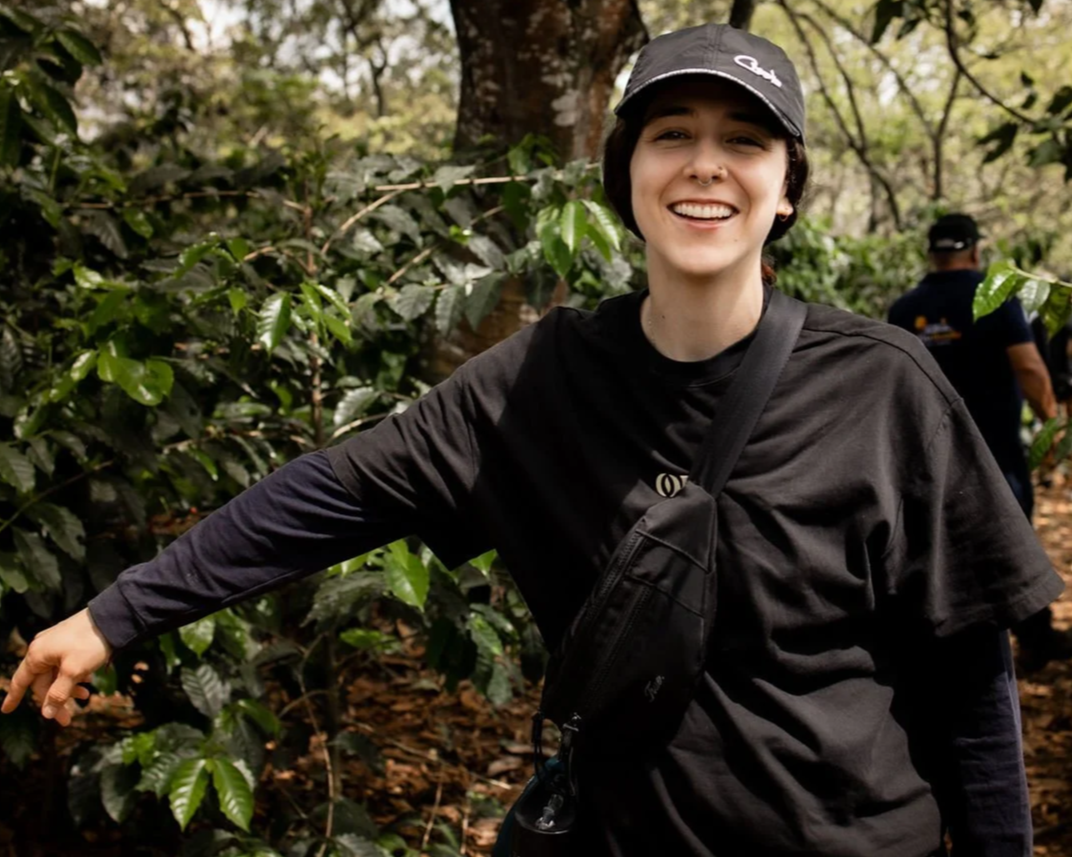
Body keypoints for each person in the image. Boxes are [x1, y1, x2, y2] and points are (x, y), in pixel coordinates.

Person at [3, 23, 1064, 857]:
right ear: (626, 175)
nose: (706, 166)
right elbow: (324, 494)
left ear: (785, 188)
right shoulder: (540, 378)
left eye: (744, 141)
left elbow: (968, 685)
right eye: (671, 135)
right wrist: (116, 611)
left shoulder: (881, 386)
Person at [888, 214, 1072, 672]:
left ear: (932, 252)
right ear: (975, 251)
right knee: (1012, 540)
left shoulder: (905, 308)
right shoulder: (998, 299)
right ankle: (1032, 638)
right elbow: (1029, 367)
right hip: (996, 450)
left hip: (926, 452)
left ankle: (954, 648)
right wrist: (1052, 425)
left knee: (938, 545)